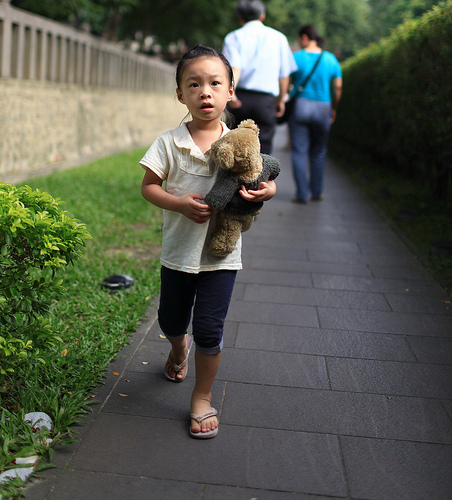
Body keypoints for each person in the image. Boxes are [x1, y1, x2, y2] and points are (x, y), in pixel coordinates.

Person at [140, 45, 276, 439]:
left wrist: (266, 192)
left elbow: (263, 176)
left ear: (230, 91)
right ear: (180, 94)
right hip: (179, 253)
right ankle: (177, 348)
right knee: (171, 320)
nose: (205, 92)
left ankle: (201, 397)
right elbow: (149, 187)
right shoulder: (169, 143)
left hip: (221, 256)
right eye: (194, 84)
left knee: (210, 329)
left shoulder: (241, 142)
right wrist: (179, 203)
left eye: (215, 83)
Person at [222, 0, 297, 154]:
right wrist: (280, 100)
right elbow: (284, 75)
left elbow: (234, 68)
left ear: (240, 17)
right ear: (262, 15)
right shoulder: (279, 38)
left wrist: (231, 92)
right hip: (266, 102)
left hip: (240, 99)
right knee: (264, 150)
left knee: (235, 149)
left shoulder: (233, 37)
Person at [288, 25, 343, 203]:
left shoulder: (296, 57)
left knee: (299, 152)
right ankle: (317, 191)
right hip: (323, 108)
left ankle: (301, 194)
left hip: (300, 107)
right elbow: (338, 87)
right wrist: (334, 108)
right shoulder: (330, 59)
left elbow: (287, 82)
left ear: (304, 37)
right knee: (318, 151)